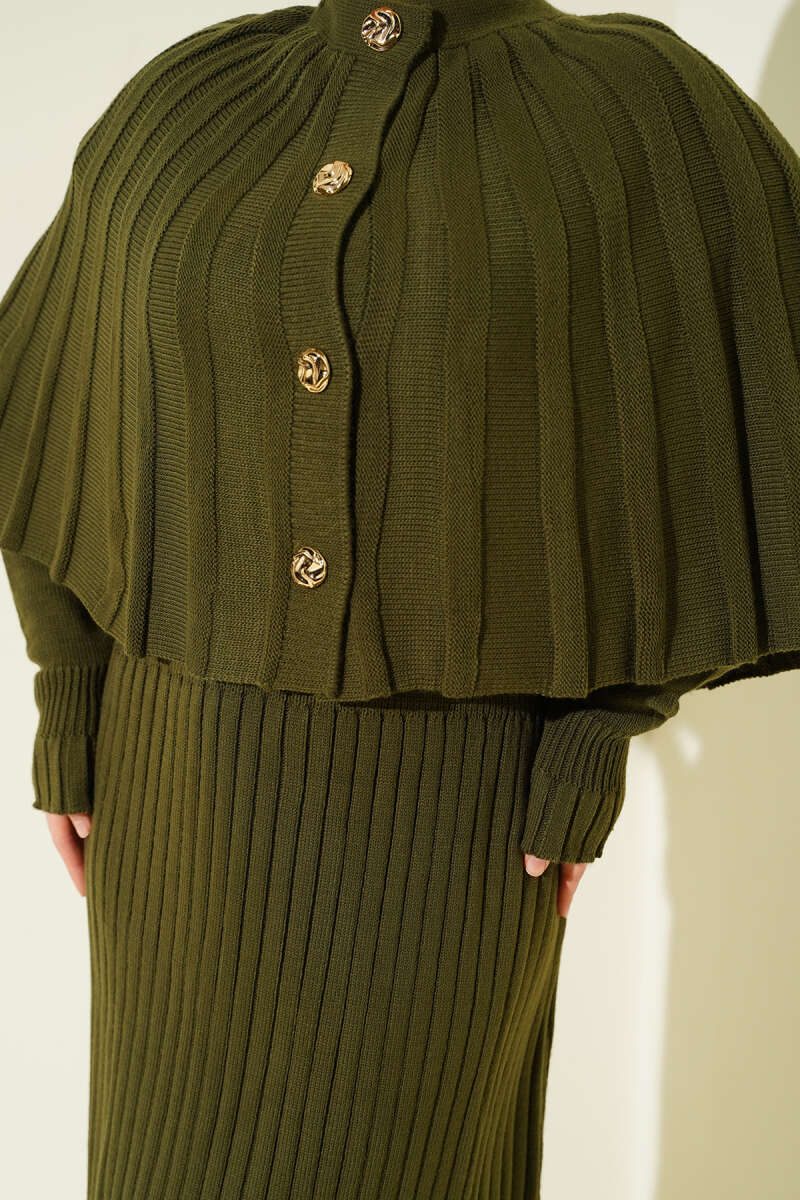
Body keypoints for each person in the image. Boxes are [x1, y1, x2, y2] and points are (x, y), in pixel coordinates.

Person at [2, 1, 800, 1196]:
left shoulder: (630, 109)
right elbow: (47, 407)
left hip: (459, 813)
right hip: (170, 792)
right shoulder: (193, 102)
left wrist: (598, 729)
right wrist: (67, 691)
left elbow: (727, 431)